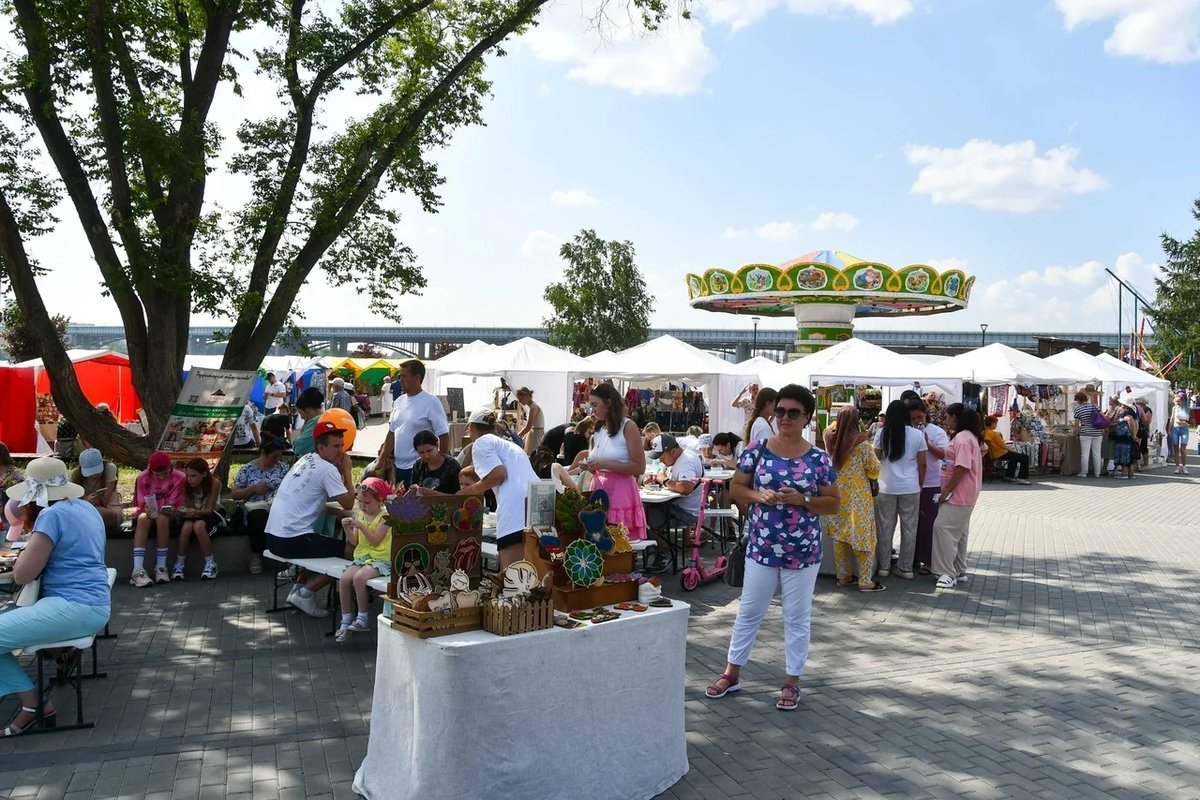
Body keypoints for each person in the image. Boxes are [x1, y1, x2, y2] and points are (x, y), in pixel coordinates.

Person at [705, 384, 839, 711]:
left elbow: (834, 502)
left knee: (796, 617)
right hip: (762, 546)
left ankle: (792, 681)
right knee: (749, 611)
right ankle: (732, 672)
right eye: (780, 411)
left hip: (802, 551)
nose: (785, 418)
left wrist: (804, 499)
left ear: (807, 417)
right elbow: (737, 488)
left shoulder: (819, 458)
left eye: (793, 413)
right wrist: (757, 496)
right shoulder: (757, 449)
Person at [0, 458, 111, 736]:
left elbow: (23, 574)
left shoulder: (51, 515)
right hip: (92, 602)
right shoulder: (85, 507)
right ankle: (31, 703)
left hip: (74, 606)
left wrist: (24, 553)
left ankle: (33, 705)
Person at [266, 421, 356, 617]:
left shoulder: (306, 459)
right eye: (335, 447)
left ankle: (297, 592)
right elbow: (349, 503)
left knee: (321, 546)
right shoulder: (327, 469)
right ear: (320, 447)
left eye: (342, 446)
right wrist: (347, 470)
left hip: (273, 537)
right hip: (291, 540)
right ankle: (306, 593)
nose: (341, 452)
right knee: (354, 552)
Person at [459, 410, 538, 569]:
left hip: (514, 509)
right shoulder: (509, 445)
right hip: (536, 502)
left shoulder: (481, 443)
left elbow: (498, 474)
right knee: (530, 572)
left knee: (512, 574)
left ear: (472, 428)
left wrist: (468, 491)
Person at [824, 406, 883, 592]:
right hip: (859, 497)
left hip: (837, 494)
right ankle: (865, 581)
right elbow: (874, 469)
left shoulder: (830, 439)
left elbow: (829, 428)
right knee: (863, 536)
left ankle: (843, 577)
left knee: (840, 537)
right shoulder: (861, 443)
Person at [579, 383, 647, 540]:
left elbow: (640, 467)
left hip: (620, 492)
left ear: (608, 403)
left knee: (617, 542)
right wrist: (590, 466)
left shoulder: (628, 426)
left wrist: (604, 465)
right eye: (591, 406)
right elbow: (599, 464)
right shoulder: (599, 429)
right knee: (598, 540)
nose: (593, 410)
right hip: (598, 489)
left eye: (595, 405)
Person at [873, 399, 927, 580]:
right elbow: (923, 463)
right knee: (909, 528)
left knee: (885, 527)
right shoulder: (917, 435)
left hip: (886, 486)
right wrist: (920, 484)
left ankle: (883, 566)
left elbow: (875, 459)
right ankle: (906, 568)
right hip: (910, 486)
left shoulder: (881, 433)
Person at [932, 403, 984, 589]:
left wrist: (947, 491)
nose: (945, 421)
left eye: (947, 417)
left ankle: (947, 572)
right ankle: (958, 568)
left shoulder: (963, 438)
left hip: (960, 493)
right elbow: (981, 451)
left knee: (942, 527)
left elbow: (962, 467)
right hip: (966, 492)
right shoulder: (969, 437)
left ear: (956, 417)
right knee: (959, 531)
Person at [336, 478, 393, 641]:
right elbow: (354, 542)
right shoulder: (360, 514)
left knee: (359, 578)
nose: (362, 506)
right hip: (363, 557)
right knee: (344, 578)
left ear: (380, 500)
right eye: (360, 501)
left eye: (366, 503)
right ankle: (345, 619)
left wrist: (362, 527)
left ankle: (362, 617)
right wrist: (347, 528)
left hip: (381, 558)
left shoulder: (385, 517)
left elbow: (375, 540)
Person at [380, 359, 450, 487]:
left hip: (420, 468)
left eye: (404, 376)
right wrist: (380, 461)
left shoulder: (431, 402)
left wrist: (441, 467)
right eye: (400, 376)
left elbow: (443, 435)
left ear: (417, 378)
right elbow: (391, 433)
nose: (400, 380)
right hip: (397, 467)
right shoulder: (399, 401)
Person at [643, 434, 704, 574]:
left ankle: (664, 552)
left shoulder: (685, 461)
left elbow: (685, 488)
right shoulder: (678, 458)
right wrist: (657, 479)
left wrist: (664, 481)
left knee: (642, 517)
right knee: (642, 511)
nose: (660, 460)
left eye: (662, 456)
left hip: (685, 512)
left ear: (673, 451)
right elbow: (666, 475)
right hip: (678, 506)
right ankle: (657, 547)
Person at [231, 437, 290, 574]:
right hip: (255, 507)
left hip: (277, 505)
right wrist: (253, 489)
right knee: (258, 518)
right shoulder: (248, 469)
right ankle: (256, 555)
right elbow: (235, 494)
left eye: (279, 457)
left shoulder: (283, 468)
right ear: (264, 453)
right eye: (274, 457)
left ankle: (287, 555)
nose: (276, 460)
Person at [130, 451, 187, 588]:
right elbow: (139, 504)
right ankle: (137, 569)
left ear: (170, 468)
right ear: (150, 470)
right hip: (148, 512)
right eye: (157, 474)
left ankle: (161, 566)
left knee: (162, 518)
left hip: (169, 514)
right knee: (143, 519)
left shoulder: (180, 477)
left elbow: (178, 503)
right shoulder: (142, 477)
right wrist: (145, 509)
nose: (161, 477)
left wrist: (169, 509)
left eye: (165, 473)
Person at [909, 399, 948, 573]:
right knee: (912, 523)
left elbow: (944, 454)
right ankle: (913, 557)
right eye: (913, 418)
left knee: (929, 523)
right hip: (911, 483)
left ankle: (929, 560)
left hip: (931, 483)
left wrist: (927, 443)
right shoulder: (908, 432)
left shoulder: (937, 432)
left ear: (926, 415)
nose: (917, 420)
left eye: (920, 416)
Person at [172, 458, 224, 581]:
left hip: (210, 514)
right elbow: (188, 505)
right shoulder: (186, 484)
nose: (189, 479)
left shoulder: (214, 483)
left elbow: (209, 510)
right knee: (187, 526)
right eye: (187, 475)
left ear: (204, 474)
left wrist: (194, 511)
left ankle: (211, 563)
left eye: (193, 476)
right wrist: (183, 510)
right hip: (193, 515)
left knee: (199, 526)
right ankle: (179, 564)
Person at [70, 448, 122, 529]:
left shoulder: (109, 468)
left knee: (98, 513)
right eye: (90, 473)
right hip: (84, 508)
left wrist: (97, 500)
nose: (94, 476)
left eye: (97, 472)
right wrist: (86, 500)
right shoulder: (76, 475)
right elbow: (72, 500)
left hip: (109, 508)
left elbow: (106, 500)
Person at [410, 429, 462, 495]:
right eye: (421, 453)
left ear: (437, 446)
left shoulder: (452, 466)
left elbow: (458, 495)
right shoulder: (418, 466)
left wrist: (435, 494)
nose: (426, 456)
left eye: (429, 451)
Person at [1073, 390, 1105, 478]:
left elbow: (1076, 424)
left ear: (1079, 400)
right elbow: (1102, 417)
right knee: (1097, 453)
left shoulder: (1078, 409)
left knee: (1085, 453)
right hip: (1097, 432)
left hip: (1085, 432)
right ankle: (1097, 473)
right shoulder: (1095, 406)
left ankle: (1084, 473)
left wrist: (1076, 433)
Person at [291, 387, 326, 455]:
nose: (301, 417)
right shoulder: (325, 417)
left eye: (300, 412)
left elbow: (298, 447)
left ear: (307, 409)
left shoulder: (316, 422)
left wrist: (304, 425)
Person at [1112, 396, 1140, 480]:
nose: (1121, 406)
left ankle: (1124, 474)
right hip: (1123, 438)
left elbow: (1133, 427)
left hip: (1125, 439)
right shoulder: (1129, 416)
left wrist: (1134, 436)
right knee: (1127, 455)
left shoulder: (1128, 416)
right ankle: (1131, 473)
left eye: (1122, 405)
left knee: (1124, 455)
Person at [516, 388, 544, 456]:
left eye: (521, 399)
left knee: (534, 455)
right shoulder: (531, 407)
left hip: (536, 434)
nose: (520, 402)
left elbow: (528, 427)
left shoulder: (533, 408)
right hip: (533, 433)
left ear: (527, 397)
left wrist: (517, 436)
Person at [1171, 390, 1191, 475]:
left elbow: (1190, 421)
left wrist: (1185, 423)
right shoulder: (1174, 408)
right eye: (1176, 401)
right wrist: (1168, 430)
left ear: (1183, 400)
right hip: (1175, 429)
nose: (1177, 402)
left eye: (1179, 401)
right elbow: (1172, 419)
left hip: (1184, 429)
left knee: (1182, 449)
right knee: (1175, 449)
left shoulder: (1187, 409)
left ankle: (1184, 467)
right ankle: (1177, 467)